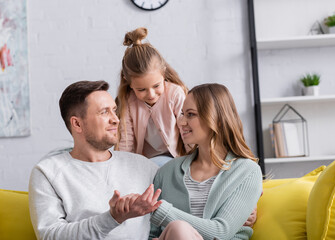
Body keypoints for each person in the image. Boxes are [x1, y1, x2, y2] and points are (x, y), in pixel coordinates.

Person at [28, 80, 162, 240]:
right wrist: (112, 218)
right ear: (77, 124)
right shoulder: (48, 172)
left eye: (114, 110)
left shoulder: (143, 166)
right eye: (104, 112)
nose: (116, 119)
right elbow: (50, 236)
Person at [149, 83, 263, 240]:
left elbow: (221, 232)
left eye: (190, 114)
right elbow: (151, 235)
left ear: (218, 120)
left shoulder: (247, 172)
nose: (181, 122)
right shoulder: (167, 172)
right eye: (182, 114)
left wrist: (161, 210)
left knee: (179, 228)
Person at [114, 27, 189, 166]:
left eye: (156, 86)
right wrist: (122, 167)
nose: (151, 94)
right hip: (145, 163)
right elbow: (126, 141)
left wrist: (193, 162)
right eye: (141, 89)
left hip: (178, 159)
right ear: (128, 81)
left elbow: (187, 131)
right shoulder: (128, 101)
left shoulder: (175, 94)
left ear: (163, 74)